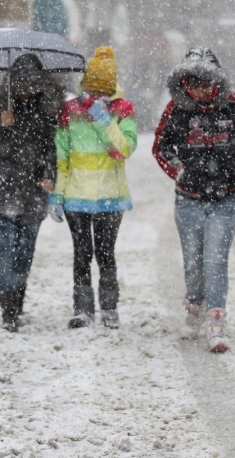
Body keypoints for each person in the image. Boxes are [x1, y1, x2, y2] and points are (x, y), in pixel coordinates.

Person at [152, 47, 235, 353]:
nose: (202, 90)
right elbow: (161, 146)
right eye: (194, 83)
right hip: (188, 199)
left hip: (226, 199)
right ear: (185, 83)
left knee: (215, 258)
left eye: (206, 83)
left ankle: (217, 320)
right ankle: (193, 308)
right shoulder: (176, 110)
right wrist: (180, 170)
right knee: (193, 259)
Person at [48, 46, 137, 329]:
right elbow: (63, 158)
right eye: (92, 88)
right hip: (76, 197)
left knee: (106, 253)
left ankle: (109, 307)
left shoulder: (123, 109)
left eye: (102, 90)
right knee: (82, 253)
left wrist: (104, 120)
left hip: (111, 196)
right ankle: (82, 309)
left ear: (111, 87)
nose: (96, 95)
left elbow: (124, 149)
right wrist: (57, 194)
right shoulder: (69, 110)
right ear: (85, 83)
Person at [0, 53, 64, 332]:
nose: (27, 91)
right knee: (4, 248)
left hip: (32, 192)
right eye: (23, 84)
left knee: (24, 251)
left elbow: (52, 148)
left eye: (33, 85)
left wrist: (50, 175)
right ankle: (9, 309)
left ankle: (17, 296)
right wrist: (0, 124)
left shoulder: (48, 109)